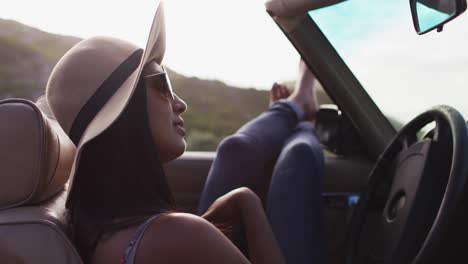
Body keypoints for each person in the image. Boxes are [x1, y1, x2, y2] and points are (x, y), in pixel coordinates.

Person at [45, 3, 324, 264]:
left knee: (234, 150)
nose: (180, 103)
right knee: (299, 155)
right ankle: (300, 111)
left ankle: (296, 108)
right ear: (126, 115)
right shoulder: (182, 235)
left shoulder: (91, 226)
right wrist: (248, 203)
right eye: (162, 86)